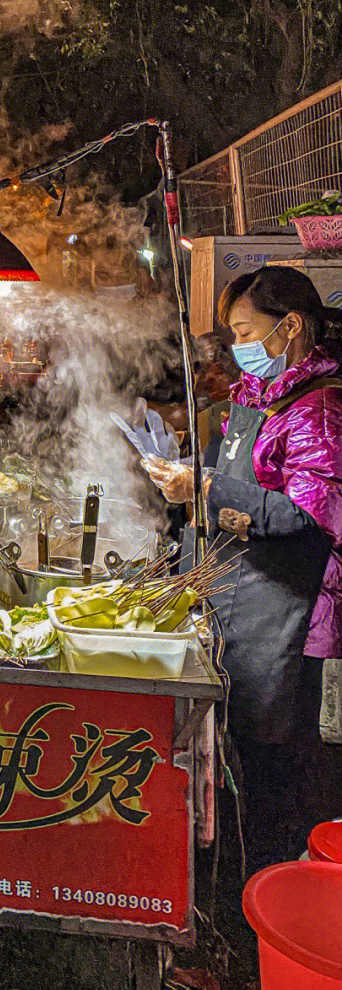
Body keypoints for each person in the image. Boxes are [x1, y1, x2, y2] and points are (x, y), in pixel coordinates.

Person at [146, 266, 342, 868]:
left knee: (280, 775)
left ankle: (278, 896)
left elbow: (305, 518)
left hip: (291, 618)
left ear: (289, 326)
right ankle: (241, 886)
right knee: (239, 763)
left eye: (244, 331)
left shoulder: (320, 409)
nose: (236, 349)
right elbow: (235, 476)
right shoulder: (261, 397)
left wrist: (206, 489)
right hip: (244, 601)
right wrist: (186, 472)